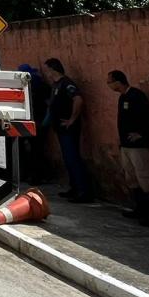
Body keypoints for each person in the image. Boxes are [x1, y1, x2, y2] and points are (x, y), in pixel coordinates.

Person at [106, 70, 149, 227]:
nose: (109, 85)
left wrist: (141, 134)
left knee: (146, 177)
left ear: (118, 81)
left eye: (110, 81)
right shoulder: (123, 97)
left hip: (138, 146)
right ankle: (141, 209)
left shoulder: (136, 96)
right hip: (126, 145)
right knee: (132, 178)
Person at [42, 57, 92, 202]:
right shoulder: (56, 85)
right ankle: (74, 188)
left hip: (68, 128)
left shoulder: (67, 84)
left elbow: (78, 99)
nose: (47, 73)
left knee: (73, 158)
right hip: (60, 128)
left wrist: (72, 119)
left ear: (52, 69)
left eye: (47, 70)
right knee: (68, 159)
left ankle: (84, 191)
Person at [17, 63, 50, 184]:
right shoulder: (41, 85)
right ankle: (37, 175)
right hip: (36, 121)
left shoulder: (24, 87)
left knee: (31, 150)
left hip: (30, 121)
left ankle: (31, 175)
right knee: (36, 150)